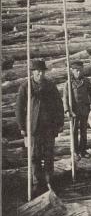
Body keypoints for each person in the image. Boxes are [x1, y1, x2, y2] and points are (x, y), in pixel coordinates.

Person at [16, 60, 64, 197]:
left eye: (42, 71)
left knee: (48, 156)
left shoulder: (50, 86)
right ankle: (38, 184)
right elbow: (19, 108)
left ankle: (50, 181)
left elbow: (59, 105)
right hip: (33, 128)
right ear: (32, 72)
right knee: (34, 157)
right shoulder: (25, 87)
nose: (40, 73)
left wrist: (60, 123)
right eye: (37, 71)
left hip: (49, 127)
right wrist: (22, 127)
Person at [63, 61, 91, 160]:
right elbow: (65, 98)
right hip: (74, 111)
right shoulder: (68, 83)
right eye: (77, 71)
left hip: (84, 110)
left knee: (83, 131)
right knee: (74, 131)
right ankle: (75, 151)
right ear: (72, 71)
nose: (79, 73)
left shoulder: (86, 81)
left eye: (80, 70)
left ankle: (83, 150)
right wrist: (67, 110)